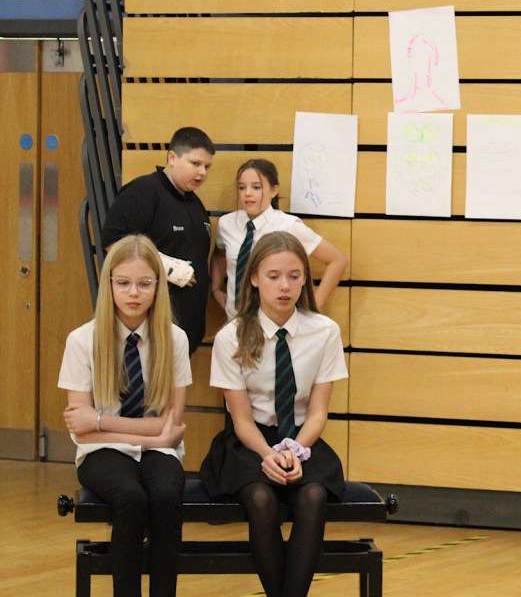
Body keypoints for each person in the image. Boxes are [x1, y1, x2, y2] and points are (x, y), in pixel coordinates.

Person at [200, 231, 348, 597]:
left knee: (313, 496)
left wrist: (294, 451)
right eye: (274, 276)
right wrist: (268, 455)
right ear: (253, 278)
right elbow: (241, 420)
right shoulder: (231, 337)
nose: (285, 286)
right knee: (262, 499)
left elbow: (317, 413)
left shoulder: (324, 331)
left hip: (301, 437)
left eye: (295, 276)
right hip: (249, 443)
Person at [59, 234, 191, 597]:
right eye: (124, 283)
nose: (134, 292)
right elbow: (81, 433)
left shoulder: (175, 339)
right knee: (130, 498)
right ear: (109, 284)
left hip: (158, 452)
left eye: (145, 283)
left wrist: (101, 421)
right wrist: (152, 433)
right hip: (100, 453)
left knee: (165, 495)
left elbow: (172, 424)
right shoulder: (83, 340)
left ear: (158, 286)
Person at [102, 126, 216, 354]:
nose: (202, 172)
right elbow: (114, 242)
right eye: (195, 164)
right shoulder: (144, 191)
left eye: (207, 166)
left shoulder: (195, 203)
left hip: (186, 330)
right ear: (172, 158)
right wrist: (167, 268)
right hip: (151, 327)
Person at [211, 158, 347, 320]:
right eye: (242, 187)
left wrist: (313, 309)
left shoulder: (289, 225)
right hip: (235, 322)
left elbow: (337, 260)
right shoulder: (227, 223)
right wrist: (216, 288)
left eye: (256, 187)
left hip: (276, 323)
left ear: (274, 191)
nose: (247, 193)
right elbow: (219, 254)